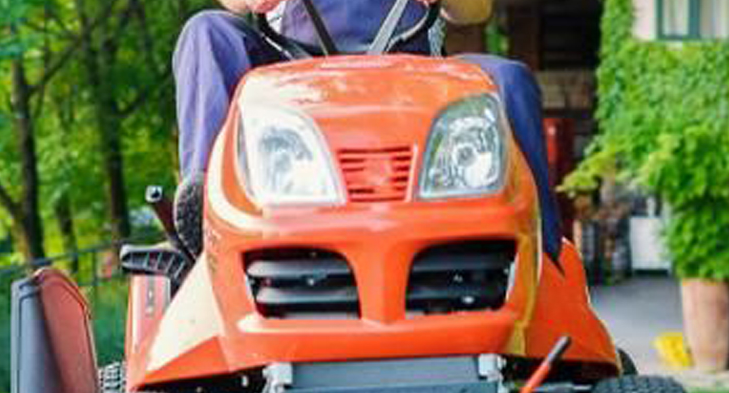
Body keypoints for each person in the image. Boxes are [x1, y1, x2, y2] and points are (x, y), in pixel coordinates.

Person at [173, 0, 561, 261]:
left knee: (509, 79)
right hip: (294, 82)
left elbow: (477, 11)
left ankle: (541, 255)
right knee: (205, 30)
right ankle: (206, 205)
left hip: (414, 77)